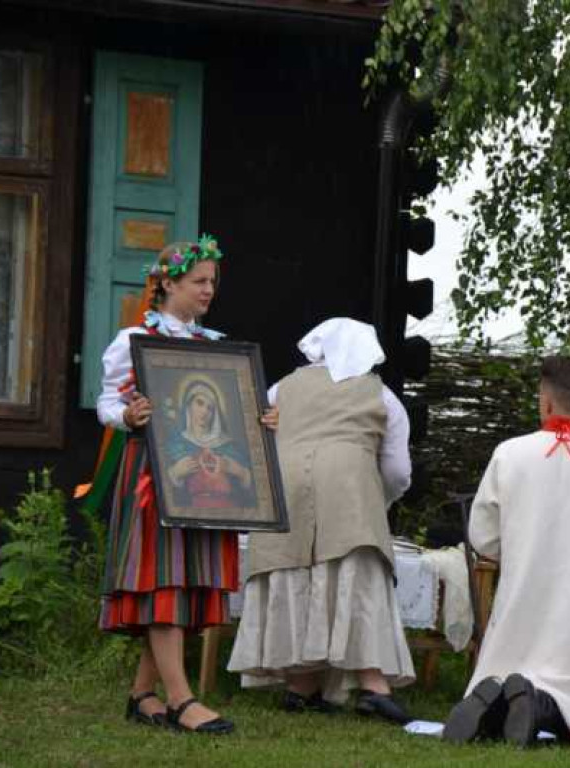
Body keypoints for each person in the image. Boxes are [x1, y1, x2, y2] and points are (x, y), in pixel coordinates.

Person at [97, 236, 277, 735]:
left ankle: (142, 695)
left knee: (188, 578)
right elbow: (106, 404)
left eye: (213, 282)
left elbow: (232, 415)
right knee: (163, 579)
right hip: (154, 476)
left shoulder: (216, 349)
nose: (208, 291)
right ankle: (181, 700)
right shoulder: (132, 341)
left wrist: (260, 418)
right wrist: (128, 415)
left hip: (206, 481)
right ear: (168, 282)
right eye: (198, 281)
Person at [443, 356, 570, 748]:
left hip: (522, 604)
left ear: (545, 401)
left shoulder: (509, 453)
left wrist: (522, 552)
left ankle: (497, 700)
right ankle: (538, 706)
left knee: (507, 666)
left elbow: (483, 538)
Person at [228, 318, 416, 724]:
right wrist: (375, 498)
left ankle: (302, 686)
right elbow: (399, 471)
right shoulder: (382, 396)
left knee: (296, 576)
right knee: (354, 581)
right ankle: (373, 686)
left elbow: (251, 438)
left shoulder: (281, 389)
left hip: (287, 492)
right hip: (350, 492)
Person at [165, 376, 256, 509]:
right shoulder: (175, 444)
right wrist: (174, 473)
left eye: (210, 408)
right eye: (200, 403)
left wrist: (242, 472)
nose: (205, 411)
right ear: (188, 405)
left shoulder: (231, 447)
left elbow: (259, 492)